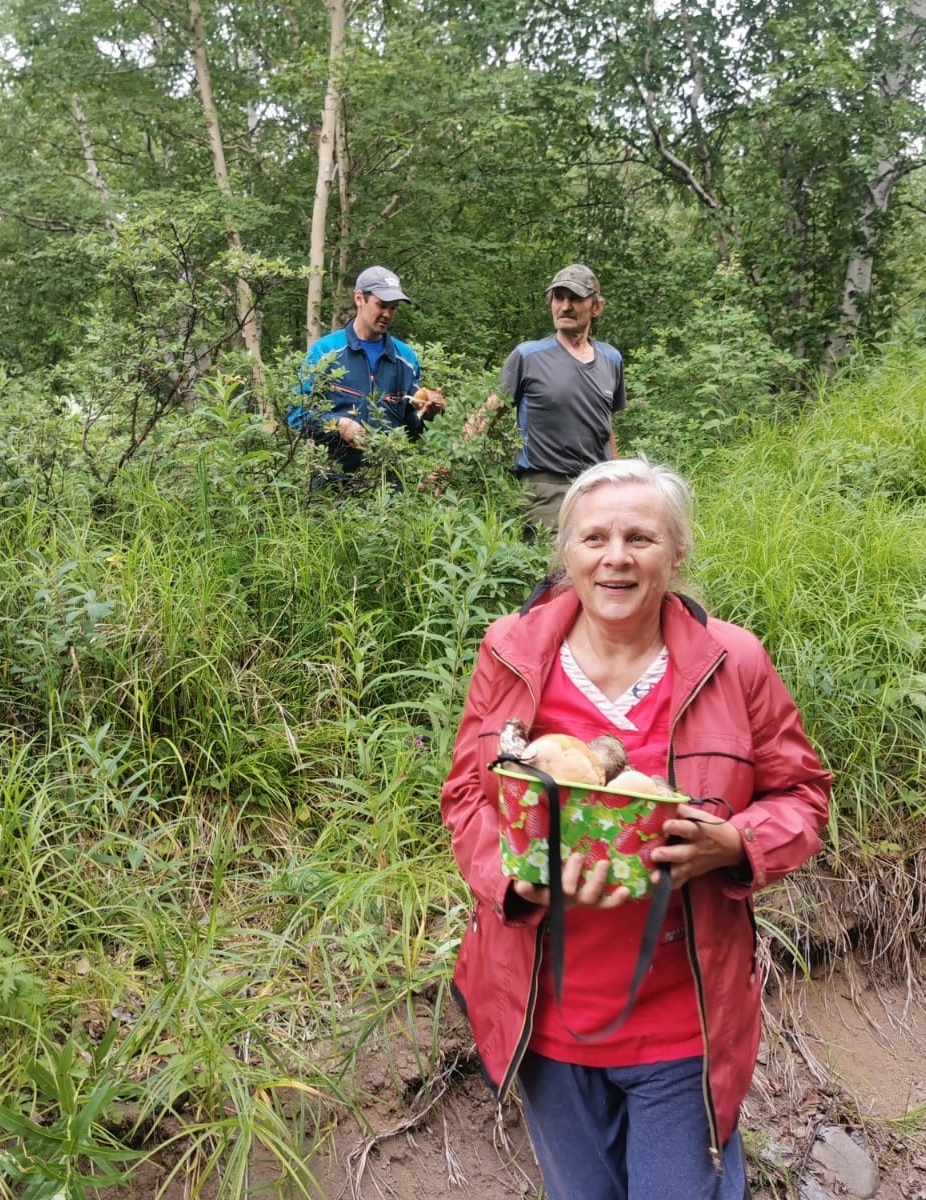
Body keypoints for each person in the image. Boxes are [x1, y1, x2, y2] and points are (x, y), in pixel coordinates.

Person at [440, 457, 832, 1200]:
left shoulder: (733, 661)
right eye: (594, 538)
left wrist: (735, 844)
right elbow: (466, 793)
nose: (615, 557)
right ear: (566, 553)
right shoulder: (513, 652)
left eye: (639, 538)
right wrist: (514, 878)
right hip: (546, 1012)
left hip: (682, 1017)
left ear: (676, 553)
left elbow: (803, 794)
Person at [463, 263, 626, 532]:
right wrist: (444, 467)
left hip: (598, 488)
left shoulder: (611, 359)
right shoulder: (529, 356)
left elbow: (605, 424)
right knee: (554, 571)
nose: (565, 306)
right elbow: (486, 415)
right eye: (558, 297)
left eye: (575, 298)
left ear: (597, 307)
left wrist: (617, 478)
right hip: (545, 488)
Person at [288, 264, 444, 480]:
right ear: (359, 299)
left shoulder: (406, 359)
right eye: (381, 305)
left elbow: (411, 431)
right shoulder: (325, 352)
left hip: (389, 487)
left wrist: (427, 416)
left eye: (393, 308)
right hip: (332, 486)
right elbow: (296, 413)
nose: (387, 314)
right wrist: (338, 425)